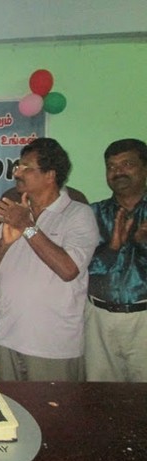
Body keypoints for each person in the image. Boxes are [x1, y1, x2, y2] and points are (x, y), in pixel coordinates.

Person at [0, 138, 99, 381]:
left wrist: (27, 226)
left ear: (50, 175)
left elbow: (68, 269)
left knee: (55, 406)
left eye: (26, 168)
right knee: (14, 404)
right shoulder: (12, 211)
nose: (17, 173)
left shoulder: (78, 214)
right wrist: (5, 243)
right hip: (8, 337)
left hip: (53, 344)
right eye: (18, 166)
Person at [86, 138, 147, 382]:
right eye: (111, 166)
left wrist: (142, 244)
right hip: (99, 319)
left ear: (145, 169)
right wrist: (112, 248)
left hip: (143, 319)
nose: (118, 172)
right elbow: (80, 268)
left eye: (127, 164)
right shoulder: (92, 213)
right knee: (100, 395)